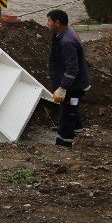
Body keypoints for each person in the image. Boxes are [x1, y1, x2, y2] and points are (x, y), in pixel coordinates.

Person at [46, 9, 91, 148]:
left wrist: (63, 87)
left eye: (49, 20)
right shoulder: (63, 34)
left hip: (74, 88)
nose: (47, 23)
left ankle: (63, 142)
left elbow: (73, 69)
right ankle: (78, 131)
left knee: (67, 112)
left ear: (57, 23)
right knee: (71, 107)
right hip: (74, 86)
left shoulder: (67, 41)